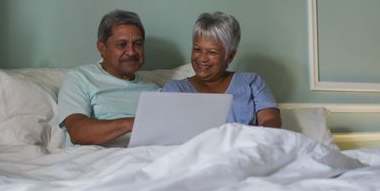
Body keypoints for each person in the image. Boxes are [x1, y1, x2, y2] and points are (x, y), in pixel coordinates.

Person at [162, 12, 281, 128]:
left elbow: (270, 120)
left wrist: (257, 138)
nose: (202, 58)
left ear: (230, 56)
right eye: (197, 49)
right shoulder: (174, 89)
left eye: (212, 52)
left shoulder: (251, 82)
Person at [57, 10, 158, 146]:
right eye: (122, 44)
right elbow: (78, 132)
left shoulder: (154, 90)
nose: (131, 52)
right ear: (102, 47)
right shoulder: (80, 78)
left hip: (146, 157)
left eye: (138, 44)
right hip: (96, 159)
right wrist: (132, 123)